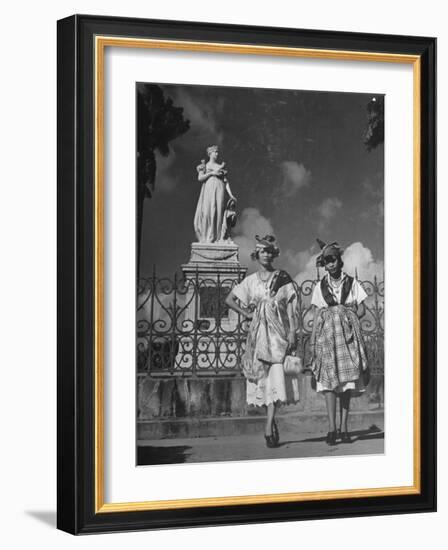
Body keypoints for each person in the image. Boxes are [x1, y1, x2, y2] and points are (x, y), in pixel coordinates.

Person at [225, 235, 297, 448]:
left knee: (276, 377)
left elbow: (292, 306)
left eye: (269, 251)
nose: (266, 254)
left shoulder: (282, 277)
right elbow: (229, 299)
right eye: (262, 251)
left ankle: (268, 426)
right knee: (263, 380)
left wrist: (293, 331)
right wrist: (246, 313)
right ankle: (271, 420)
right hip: (258, 335)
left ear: (274, 254)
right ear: (257, 254)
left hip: (278, 334)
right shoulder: (250, 281)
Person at [309, 239, 369, 446]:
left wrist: (349, 314)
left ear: (338, 260)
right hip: (327, 338)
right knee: (328, 385)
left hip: (347, 338)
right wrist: (312, 339)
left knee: (345, 385)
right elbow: (317, 313)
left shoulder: (352, 283)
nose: (330, 264)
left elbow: (362, 309)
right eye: (326, 262)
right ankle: (331, 429)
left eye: (332, 259)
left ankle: (344, 428)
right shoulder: (320, 286)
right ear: (324, 265)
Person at [194, 145, 236, 243]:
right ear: (210, 153)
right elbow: (200, 178)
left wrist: (231, 195)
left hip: (219, 189)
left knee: (218, 211)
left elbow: (226, 183)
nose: (217, 154)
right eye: (215, 152)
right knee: (208, 211)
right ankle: (207, 237)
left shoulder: (220, 167)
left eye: (217, 152)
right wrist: (212, 173)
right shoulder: (204, 166)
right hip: (209, 189)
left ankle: (218, 237)